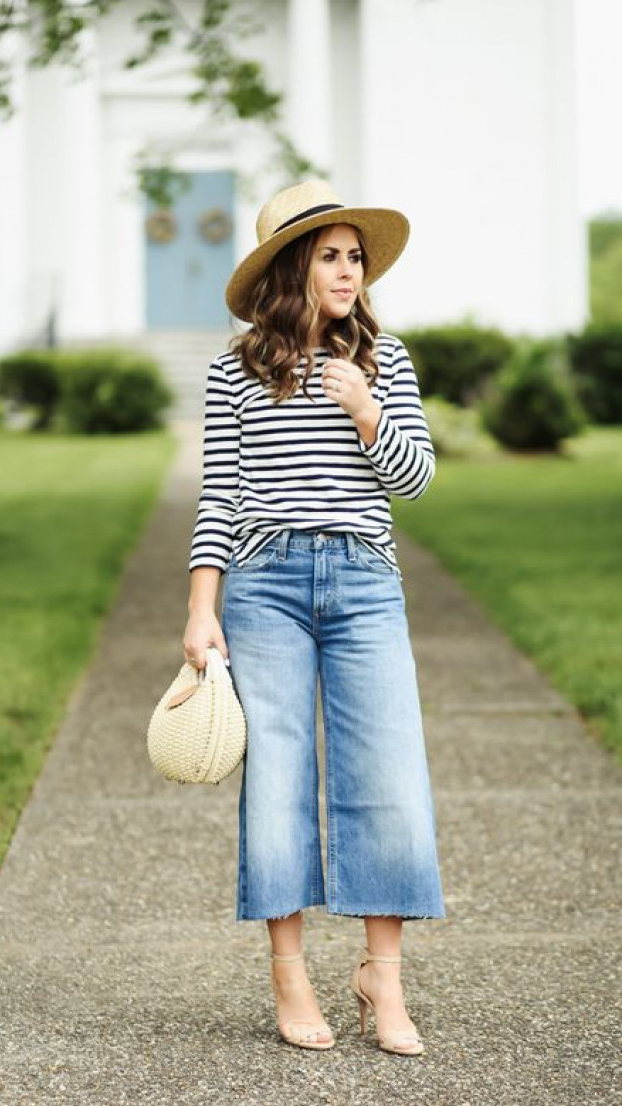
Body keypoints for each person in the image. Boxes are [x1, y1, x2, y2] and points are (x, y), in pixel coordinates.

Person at [183, 179, 446, 1056]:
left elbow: (414, 479)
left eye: (356, 257)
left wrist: (366, 408)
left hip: (366, 582)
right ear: (293, 269)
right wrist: (200, 611)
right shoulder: (234, 371)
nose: (348, 271)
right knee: (280, 780)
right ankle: (290, 975)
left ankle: (383, 976)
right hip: (265, 585)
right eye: (330, 255)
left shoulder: (387, 359)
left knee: (389, 773)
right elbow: (220, 494)